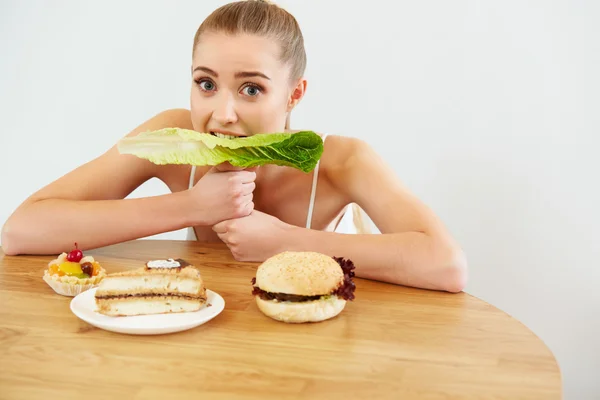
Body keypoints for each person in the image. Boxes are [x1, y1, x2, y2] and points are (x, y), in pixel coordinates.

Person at [1, 0, 467, 292]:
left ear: (294, 94)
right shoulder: (172, 138)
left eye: (251, 89)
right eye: (206, 84)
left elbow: (446, 265)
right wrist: (188, 206)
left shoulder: (343, 160)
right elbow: (21, 230)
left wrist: (285, 243)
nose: (222, 113)